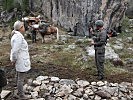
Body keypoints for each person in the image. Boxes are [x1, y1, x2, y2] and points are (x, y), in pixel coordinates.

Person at [10, 20, 31, 99]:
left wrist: (13, 59)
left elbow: (14, 50)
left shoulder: (17, 36)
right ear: (20, 28)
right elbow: (15, 50)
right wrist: (14, 59)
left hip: (20, 59)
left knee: (18, 77)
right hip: (21, 60)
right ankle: (21, 95)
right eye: (23, 26)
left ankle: (19, 91)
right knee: (20, 78)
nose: (24, 27)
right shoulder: (18, 37)